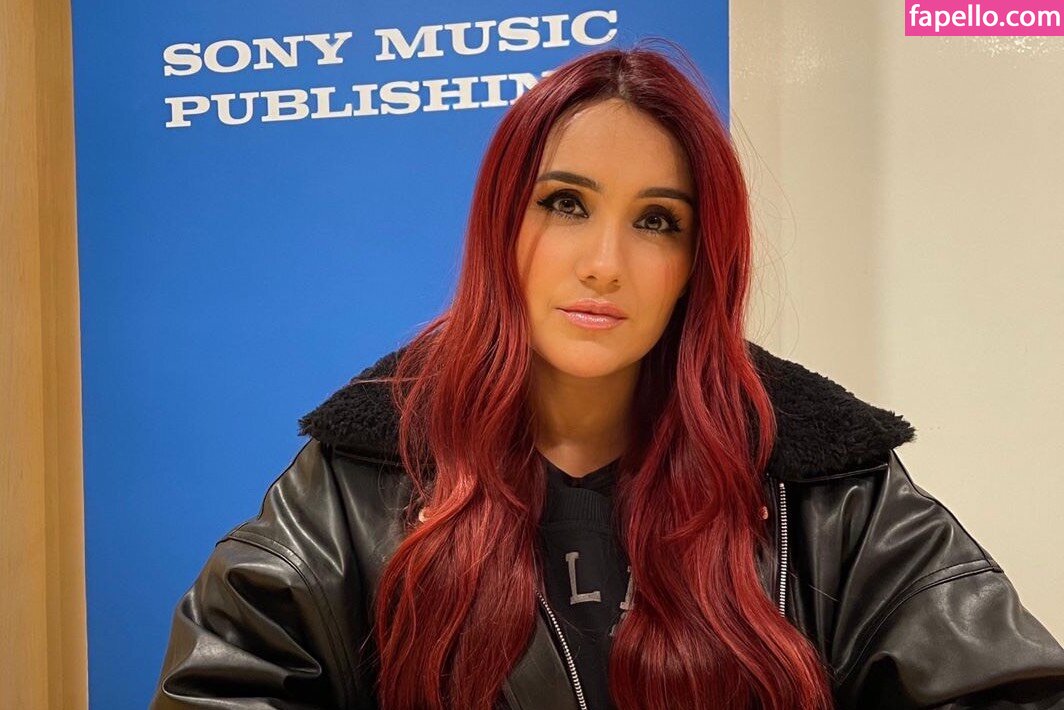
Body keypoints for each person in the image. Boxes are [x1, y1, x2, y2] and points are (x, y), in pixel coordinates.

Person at [149, 41, 1064, 710]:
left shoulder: (829, 487)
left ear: (697, 262)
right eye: (565, 204)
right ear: (503, 228)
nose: (604, 264)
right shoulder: (356, 483)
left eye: (657, 221)